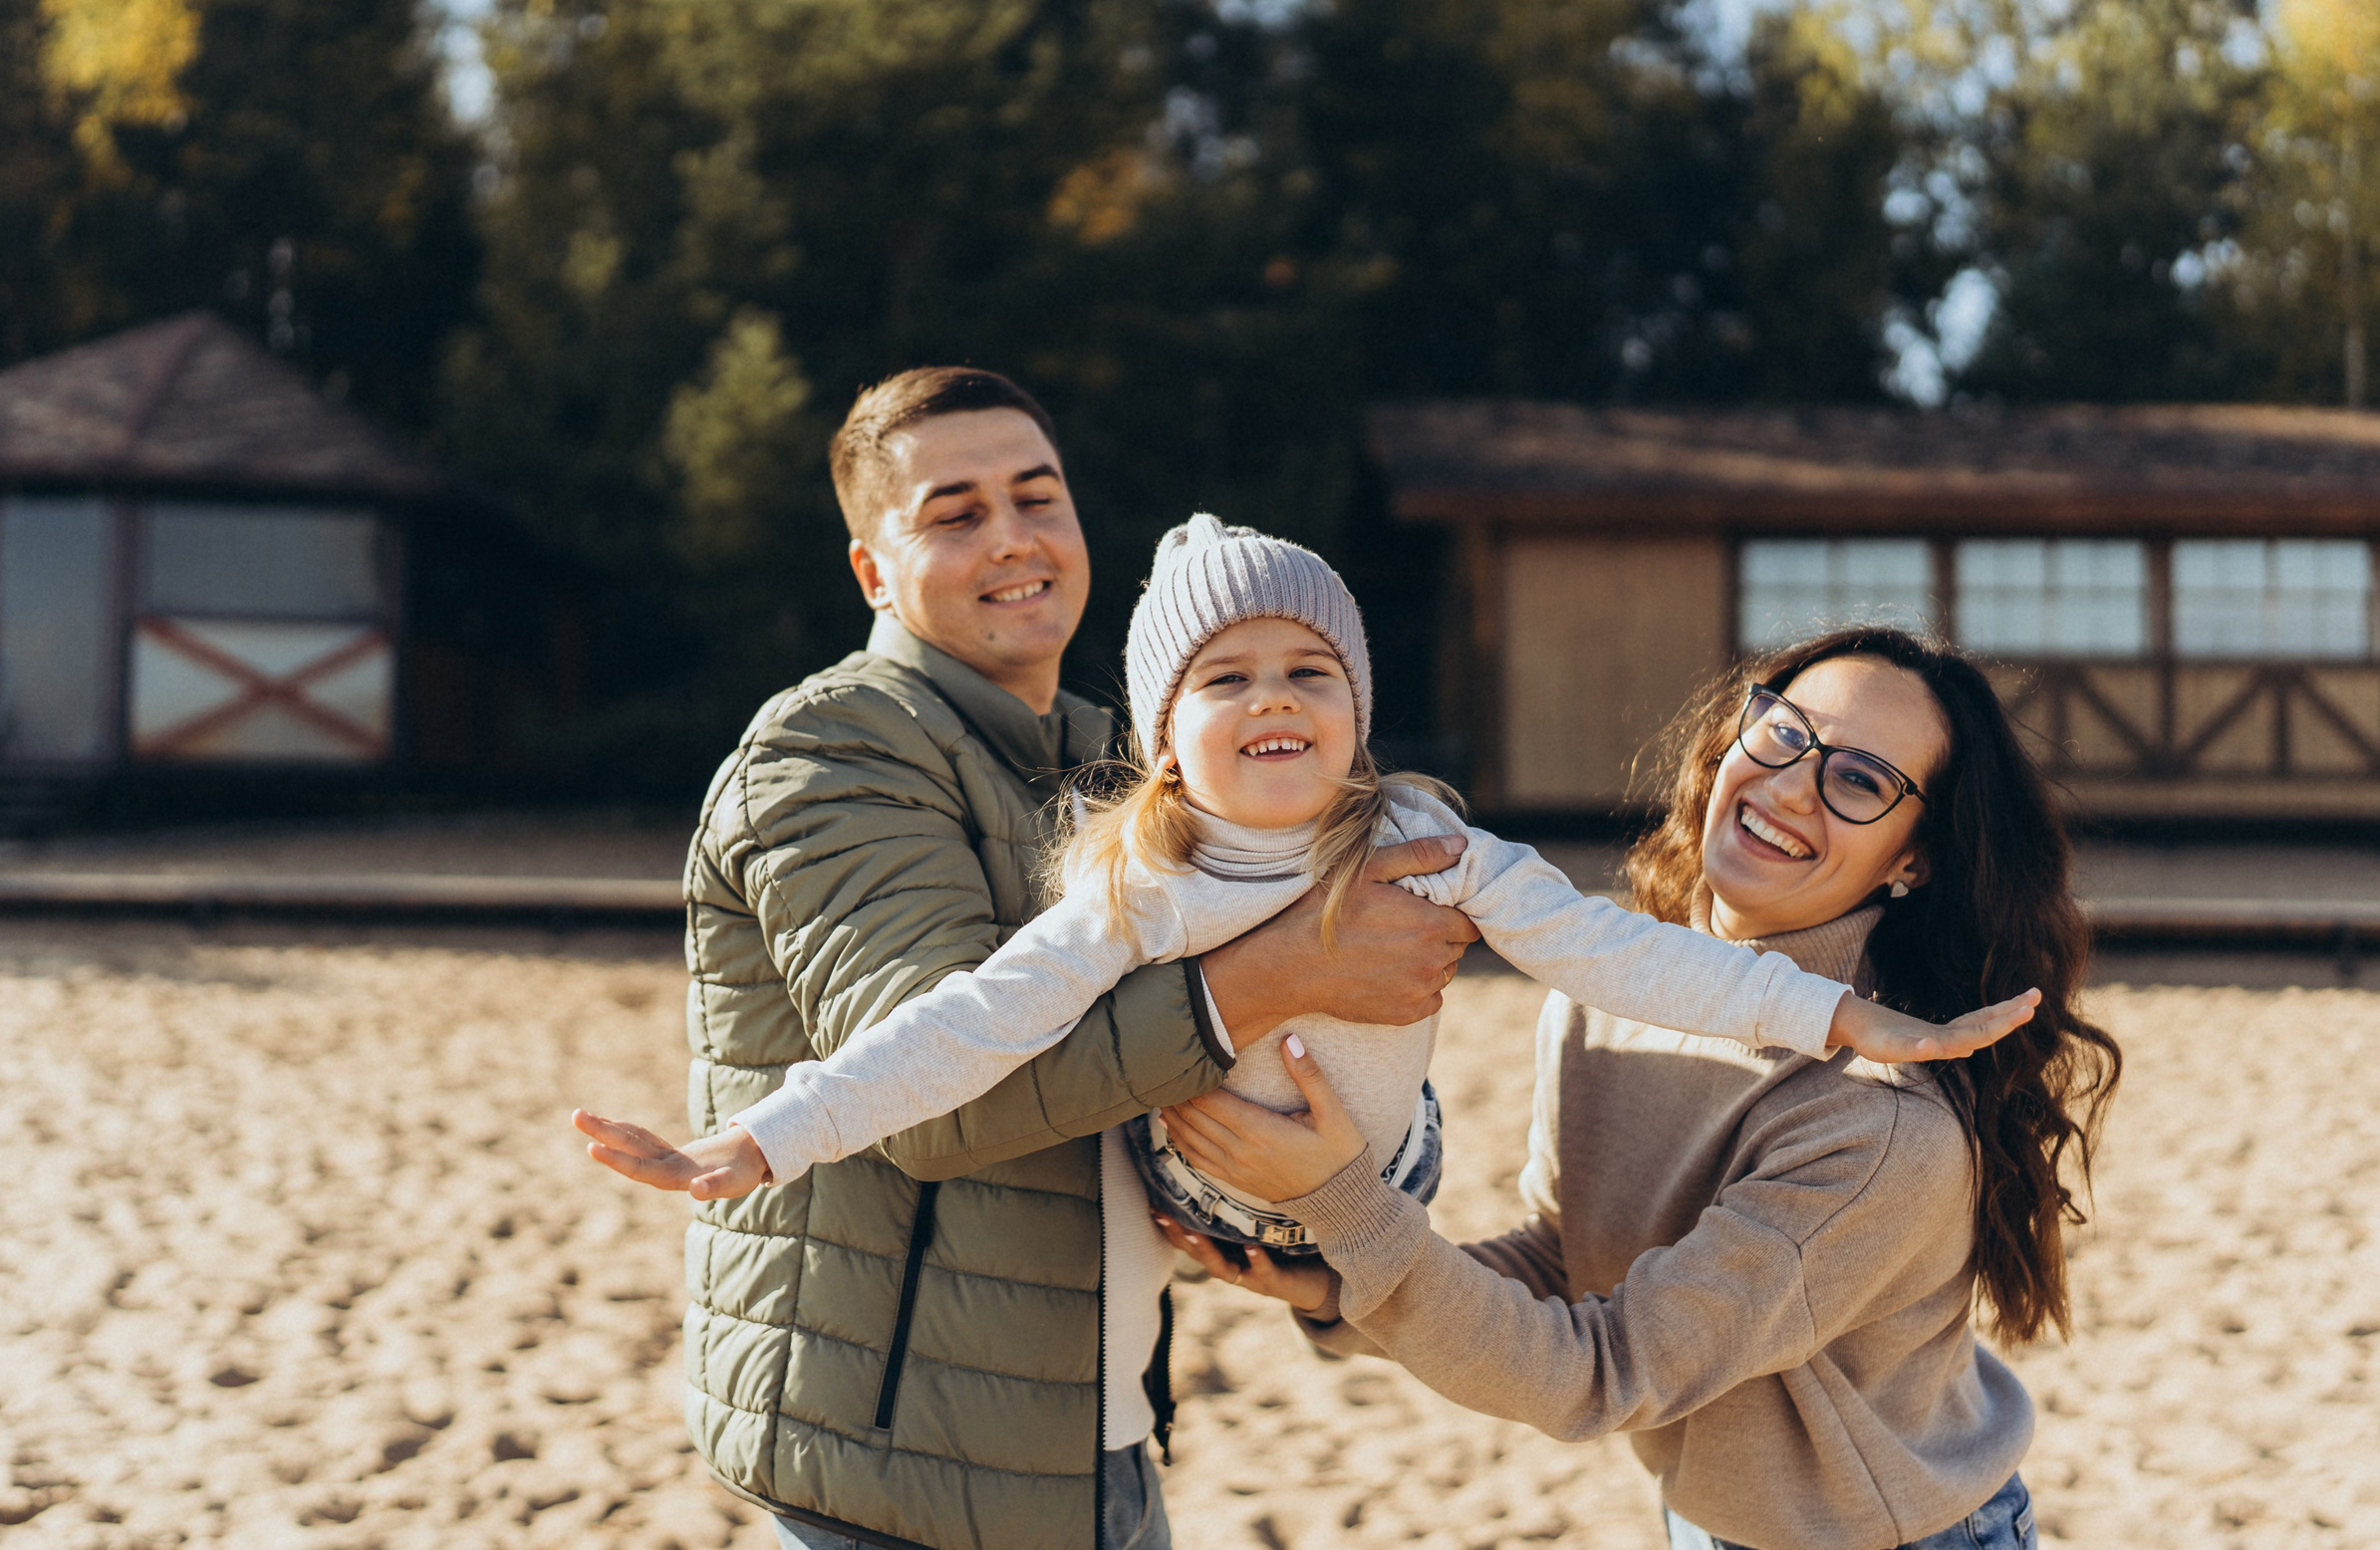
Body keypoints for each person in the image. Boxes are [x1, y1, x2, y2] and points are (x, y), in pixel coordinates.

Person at [586, 517, 2033, 1267]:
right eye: (1227, 678)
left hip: (1385, 1178)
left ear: (1357, 709)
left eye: (1310, 670)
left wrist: (1844, 1019)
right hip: (1203, 1189)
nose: (1274, 697)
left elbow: (1622, 955)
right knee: (1068, 1038)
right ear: (1166, 735)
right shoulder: (1141, 881)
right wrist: (765, 1138)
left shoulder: (1419, 836)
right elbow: (969, 1020)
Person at [570, 369, 1479, 1550]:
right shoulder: (829, 751)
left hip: (1094, 1441)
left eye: (1037, 497)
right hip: (899, 1465)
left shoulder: (1120, 765)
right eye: (956, 514)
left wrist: (1318, 1217)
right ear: (872, 571)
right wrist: (1285, 973)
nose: (1012, 538)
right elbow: (933, 1107)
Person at [1155, 626, 2124, 1550]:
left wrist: (1353, 1211)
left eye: (1859, 780)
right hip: (1704, 1520)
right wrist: (1340, 1279)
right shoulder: (1604, 996)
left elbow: (1601, 1370)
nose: (1791, 786)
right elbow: (1565, 1256)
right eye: (1784, 732)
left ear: (1914, 857)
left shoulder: (1879, 1123)